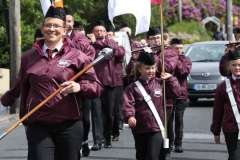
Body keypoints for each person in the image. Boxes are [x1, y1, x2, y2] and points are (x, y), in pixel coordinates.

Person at [19, 6, 103, 160]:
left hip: (69, 124)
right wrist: (24, 118)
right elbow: (24, 89)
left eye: (56, 26)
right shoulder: (28, 58)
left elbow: (96, 87)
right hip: (38, 124)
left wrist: (79, 86)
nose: (52, 29)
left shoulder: (78, 56)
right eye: (48, 25)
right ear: (42, 28)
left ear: (65, 30)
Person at [122, 49, 181, 160]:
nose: (151, 71)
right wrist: (130, 116)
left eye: (153, 68)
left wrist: (171, 79)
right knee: (141, 155)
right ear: (139, 69)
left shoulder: (161, 83)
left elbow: (176, 93)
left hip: (157, 127)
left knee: (153, 155)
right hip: (140, 128)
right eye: (147, 68)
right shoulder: (132, 88)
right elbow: (128, 104)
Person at [87, 20, 125, 148]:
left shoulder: (111, 44)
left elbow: (120, 53)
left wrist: (99, 43)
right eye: (96, 30)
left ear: (105, 33)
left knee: (109, 114)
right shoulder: (89, 46)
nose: (99, 32)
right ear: (92, 32)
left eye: (101, 30)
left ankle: (107, 138)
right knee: (96, 114)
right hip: (94, 85)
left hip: (109, 85)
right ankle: (97, 141)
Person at [211, 48, 240, 160]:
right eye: (233, 65)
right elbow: (217, 111)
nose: (237, 67)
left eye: (239, 64)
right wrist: (216, 131)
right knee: (235, 157)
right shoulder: (223, 87)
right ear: (229, 66)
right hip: (231, 128)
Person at [170, 38, 192, 153]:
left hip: (181, 95)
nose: (179, 50)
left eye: (180, 48)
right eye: (176, 48)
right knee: (168, 120)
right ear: (171, 48)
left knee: (179, 119)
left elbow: (184, 71)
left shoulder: (186, 59)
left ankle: (178, 144)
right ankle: (169, 143)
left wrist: (176, 59)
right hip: (168, 94)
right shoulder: (167, 58)